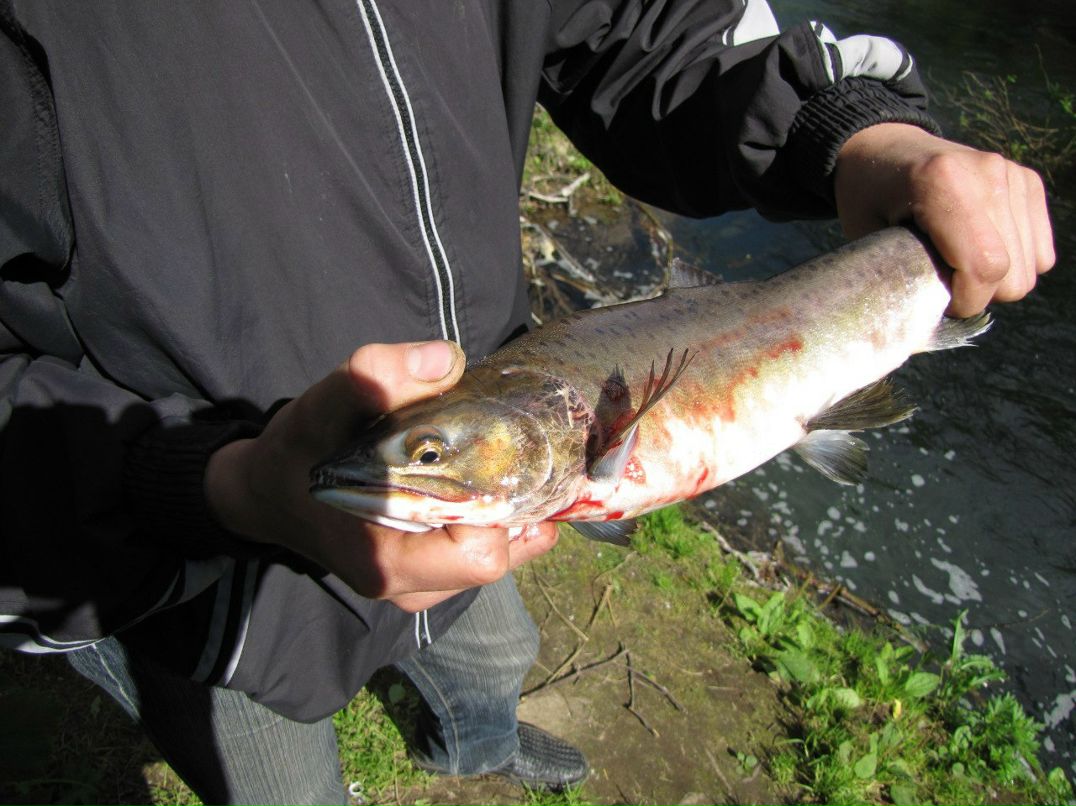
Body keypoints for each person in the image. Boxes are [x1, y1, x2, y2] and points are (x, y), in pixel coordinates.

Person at [0, 2, 1053, 804]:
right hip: (195, 566)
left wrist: (863, 134)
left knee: (497, 654)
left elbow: (643, 28)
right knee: (283, 783)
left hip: (483, 483)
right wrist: (210, 482)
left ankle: (477, 748)